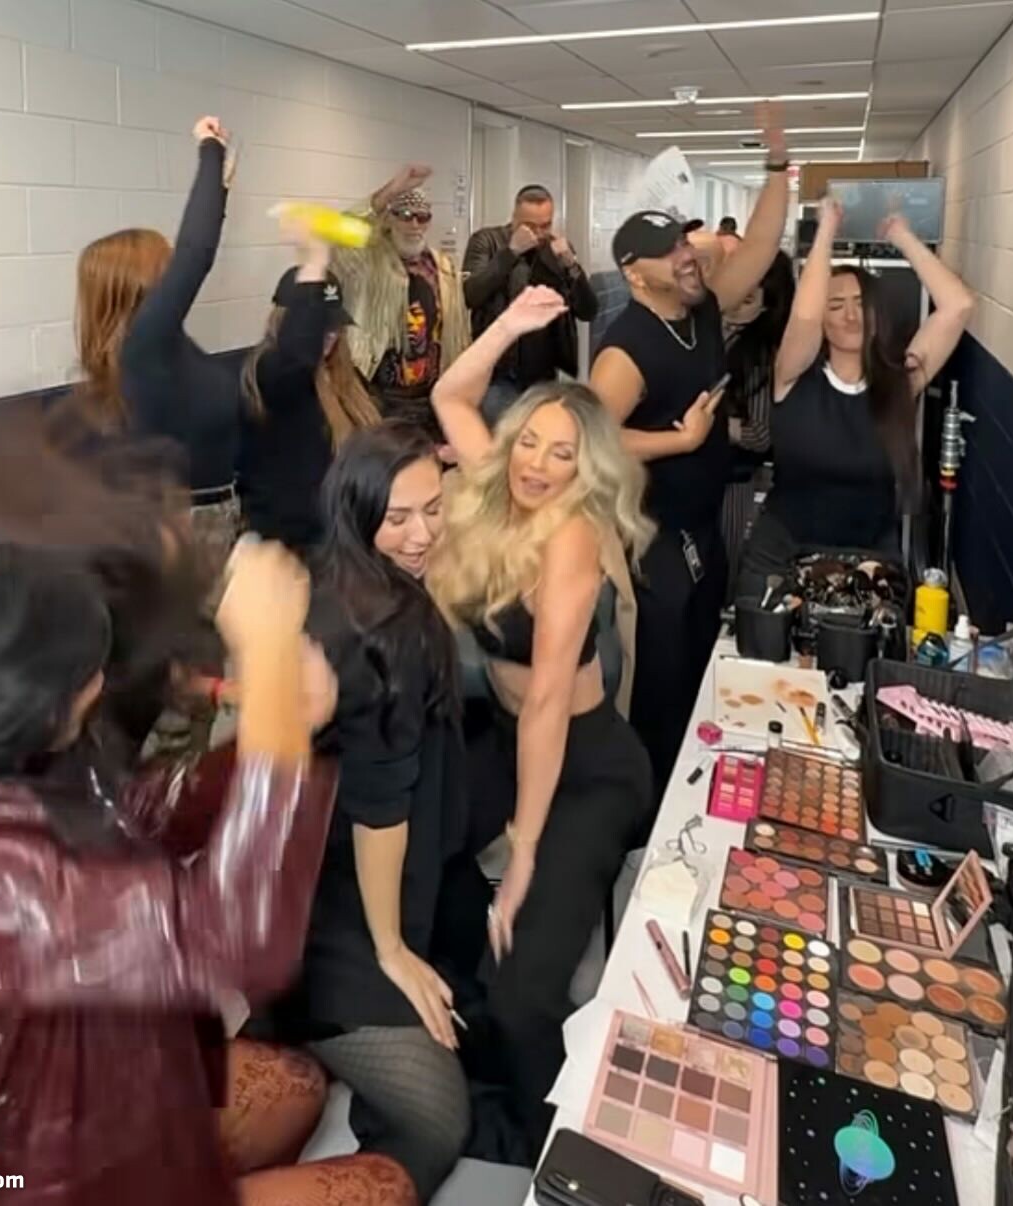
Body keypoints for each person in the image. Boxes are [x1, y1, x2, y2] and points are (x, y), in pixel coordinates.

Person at [0, 539, 416, 1206]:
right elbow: (235, 936)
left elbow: (129, 817)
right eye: (89, 676)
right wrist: (269, 671)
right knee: (386, 1188)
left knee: (297, 1088)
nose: (101, 686)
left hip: (86, 1091)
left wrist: (273, 727)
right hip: (27, 1178)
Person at [428, 286, 656, 1152]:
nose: (535, 464)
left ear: (584, 468)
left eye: (561, 453)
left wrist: (522, 852)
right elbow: (451, 396)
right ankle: (464, 1057)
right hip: (510, 739)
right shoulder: (500, 492)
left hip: (587, 764)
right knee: (427, 864)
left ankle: (545, 1138)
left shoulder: (572, 538)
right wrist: (509, 327)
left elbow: (551, 704)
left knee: (526, 992)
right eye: (527, 440)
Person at [279, 422, 469, 1203]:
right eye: (399, 518)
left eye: (434, 508)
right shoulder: (385, 631)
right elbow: (379, 809)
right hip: (341, 911)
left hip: (332, 877)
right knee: (439, 1119)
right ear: (358, 513)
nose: (422, 534)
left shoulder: (344, 576)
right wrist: (390, 949)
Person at [590, 108, 790, 799]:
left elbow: (761, 245)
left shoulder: (701, 308)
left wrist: (777, 158)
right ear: (633, 273)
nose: (685, 255)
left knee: (705, 663)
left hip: (703, 530)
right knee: (662, 688)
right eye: (667, 250)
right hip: (655, 543)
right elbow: (588, 436)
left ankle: (694, 787)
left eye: (682, 240)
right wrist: (679, 439)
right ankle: (648, 810)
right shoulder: (627, 349)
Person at [737, 199, 974, 596]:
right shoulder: (793, 373)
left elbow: (958, 306)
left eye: (861, 304)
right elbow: (804, 316)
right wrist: (826, 231)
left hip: (868, 561)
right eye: (836, 305)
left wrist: (902, 236)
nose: (851, 316)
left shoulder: (900, 382)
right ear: (823, 318)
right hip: (783, 555)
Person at [69, 115, 240, 576]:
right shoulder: (143, 350)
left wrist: (220, 189)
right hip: (179, 537)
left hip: (205, 528)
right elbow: (196, 254)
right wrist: (209, 150)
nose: (174, 274)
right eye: (165, 264)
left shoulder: (161, 350)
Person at [239, 224, 380, 556]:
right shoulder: (270, 372)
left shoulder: (344, 375)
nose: (330, 334)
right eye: (320, 325)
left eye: (335, 326)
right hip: (295, 542)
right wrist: (315, 263)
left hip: (345, 532)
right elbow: (296, 361)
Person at [331, 164, 469, 442]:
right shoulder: (368, 262)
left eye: (422, 217)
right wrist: (389, 192)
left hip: (430, 399)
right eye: (405, 216)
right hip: (377, 396)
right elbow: (339, 235)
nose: (414, 225)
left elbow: (458, 333)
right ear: (389, 218)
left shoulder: (443, 267)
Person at [462, 185, 597, 422]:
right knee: (500, 440)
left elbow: (588, 310)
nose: (538, 233)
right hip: (498, 373)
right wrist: (511, 251)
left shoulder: (557, 249)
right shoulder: (487, 241)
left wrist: (572, 266)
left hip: (544, 375)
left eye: (545, 225)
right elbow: (471, 294)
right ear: (514, 217)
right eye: (530, 225)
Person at [720, 251, 795, 592]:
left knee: (725, 572)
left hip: (733, 482)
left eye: (748, 298)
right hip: (695, 475)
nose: (736, 304)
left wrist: (715, 426)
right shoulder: (712, 330)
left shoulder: (764, 353)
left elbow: (762, 434)